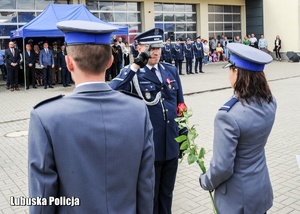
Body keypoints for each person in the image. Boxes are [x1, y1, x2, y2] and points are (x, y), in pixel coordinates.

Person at [28, 20, 155, 213]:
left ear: (69, 63)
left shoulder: (46, 117)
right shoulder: (138, 110)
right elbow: (146, 185)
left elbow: (43, 198)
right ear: (111, 61)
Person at [110, 28, 185, 214]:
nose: (156, 52)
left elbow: (180, 105)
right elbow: (113, 90)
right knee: (149, 195)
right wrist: (135, 66)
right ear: (139, 48)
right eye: (150, 48)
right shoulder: (133, 72)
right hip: (149, 146)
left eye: (158, 47)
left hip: (171, 144)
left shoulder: (171, 70)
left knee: (167, 193)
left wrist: (182, 132)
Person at [200, 43, 276, 214]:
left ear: (236, 72)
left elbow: (222, 167)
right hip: (260, 190)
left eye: (230, 70)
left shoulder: (228, 116)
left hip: (237, 200)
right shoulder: (270, 102)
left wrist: (206, 181)